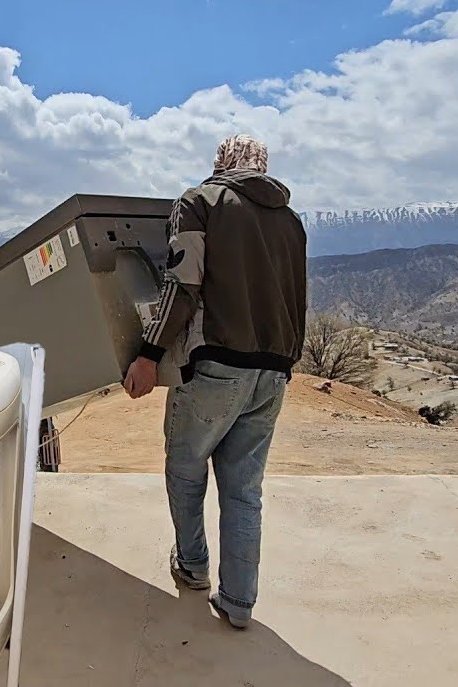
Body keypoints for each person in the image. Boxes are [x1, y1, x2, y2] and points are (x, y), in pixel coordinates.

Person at [122, 134, 307, 630]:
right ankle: (239, 603)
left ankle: (193, 566)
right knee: (244, 489)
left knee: (185, 468)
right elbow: (298, 298)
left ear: (222, 163)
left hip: (216, 365)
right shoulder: (291, 221)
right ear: (262, 167)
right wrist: (286, 361)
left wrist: (148, 354)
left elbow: (182, 284)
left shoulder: (199, 203)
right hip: (273, 371)